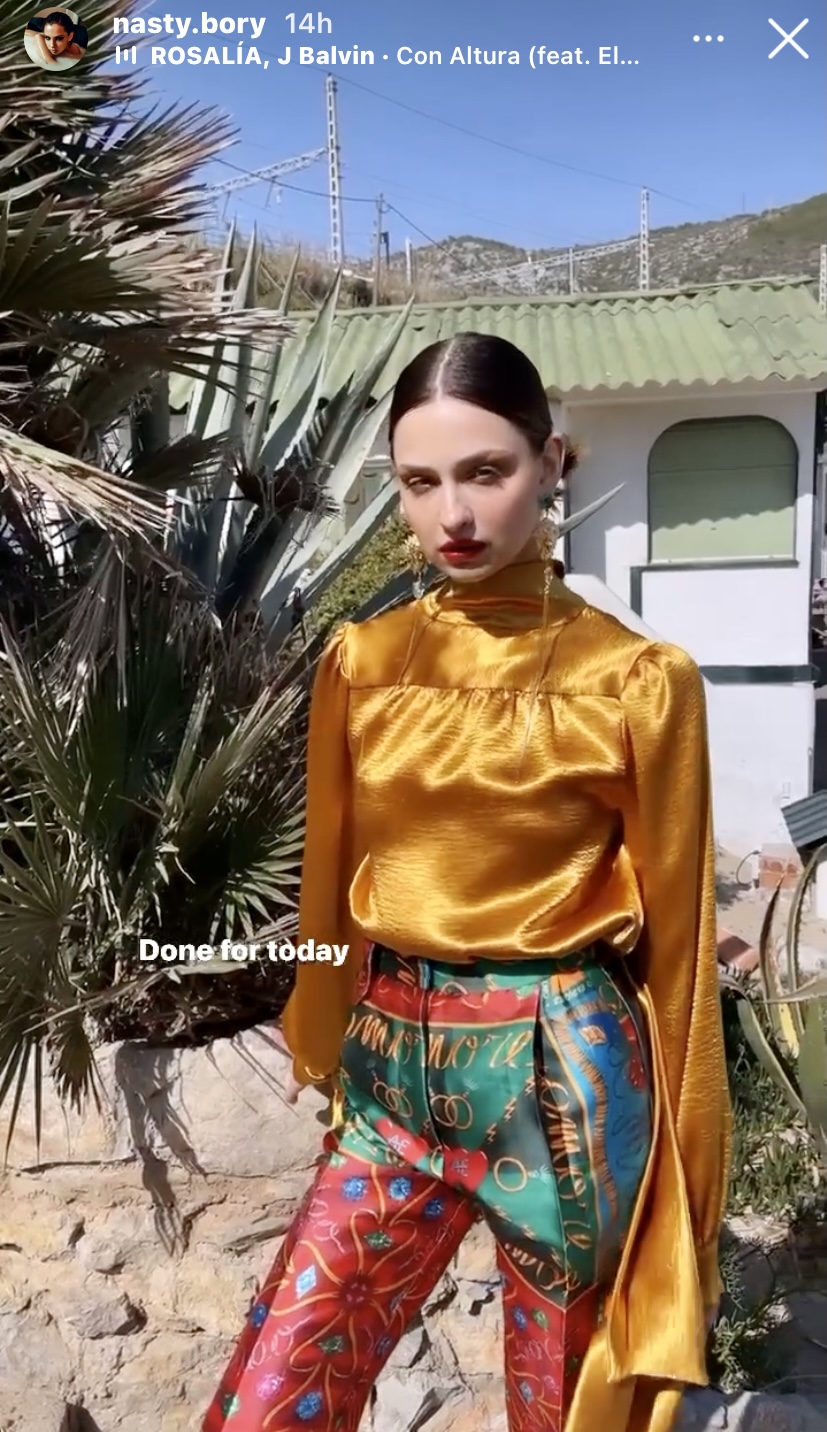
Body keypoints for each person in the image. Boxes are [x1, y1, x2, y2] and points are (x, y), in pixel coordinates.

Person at [202, 332, 732, 1432]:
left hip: (562, 1077)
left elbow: (678, 944)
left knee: (560, 1405)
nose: (452, 514)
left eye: (485, 472)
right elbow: (331, 875)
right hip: (389, 1068)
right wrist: (328, 1032)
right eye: (419, 482)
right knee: (274, 1391)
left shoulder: (635, 681)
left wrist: (688, 1182)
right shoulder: (363, 661)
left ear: (551, 462)